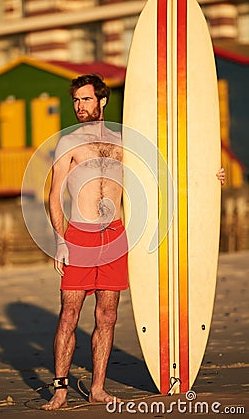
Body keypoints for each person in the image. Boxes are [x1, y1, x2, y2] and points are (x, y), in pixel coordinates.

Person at [42, 74, 225, 411]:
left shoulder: (123, 140)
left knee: (107, 315)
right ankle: (61, 389)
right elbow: (54, 196)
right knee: (69, 314)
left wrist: (209, 175)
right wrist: (60, 240)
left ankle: (97, 387)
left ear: (102, 101)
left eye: (85, 99)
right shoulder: (68, 142)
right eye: (76, 101)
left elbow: (165, 171)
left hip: (114, 235)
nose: (79, 106)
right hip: (79, 237)